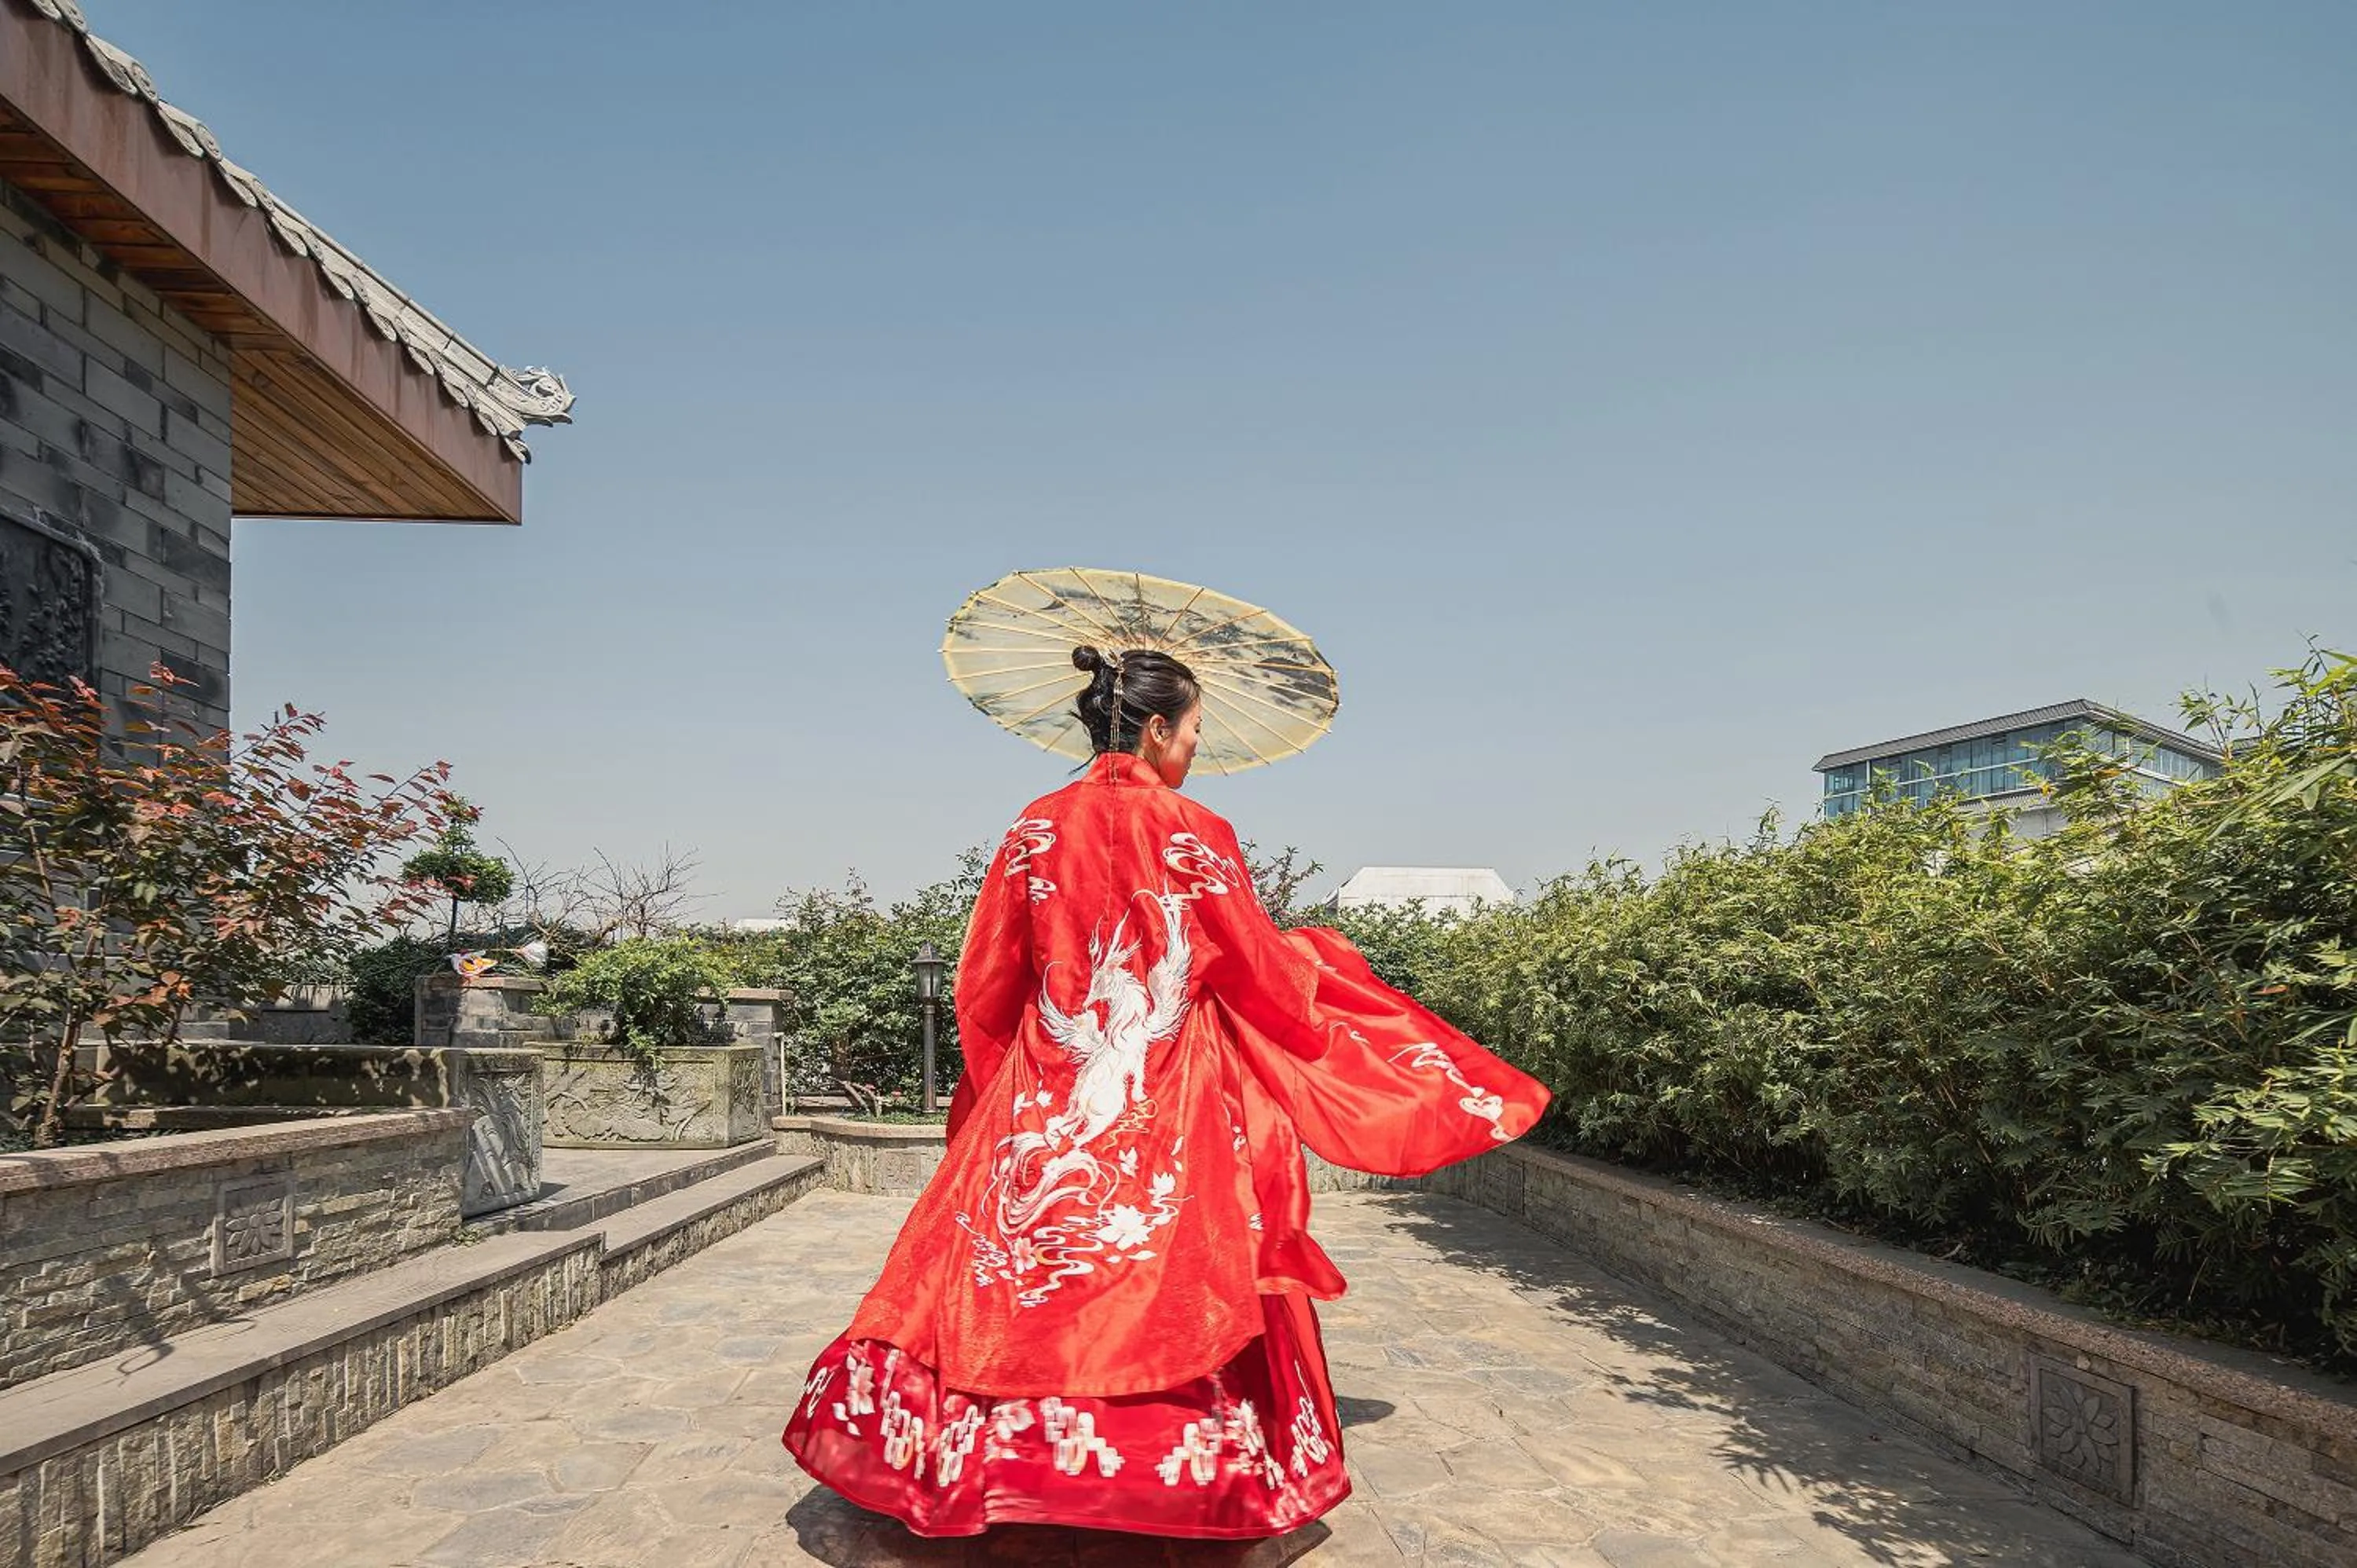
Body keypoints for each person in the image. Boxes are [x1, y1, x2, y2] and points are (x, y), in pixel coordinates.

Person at [783, 645, 1549, 1539]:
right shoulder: (1196, 831)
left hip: (1044, 1086)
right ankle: (1174, 1471)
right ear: (1154, 728)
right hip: (1173, 1089)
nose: (1192, 749)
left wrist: (999, 1096)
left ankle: (976, 1461)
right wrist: (1318, 960)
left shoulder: (1032, 829)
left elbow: (986, 984)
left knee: (1006, 1271)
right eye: (1192, 730)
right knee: (1174, 1268)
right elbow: (1259, 974)